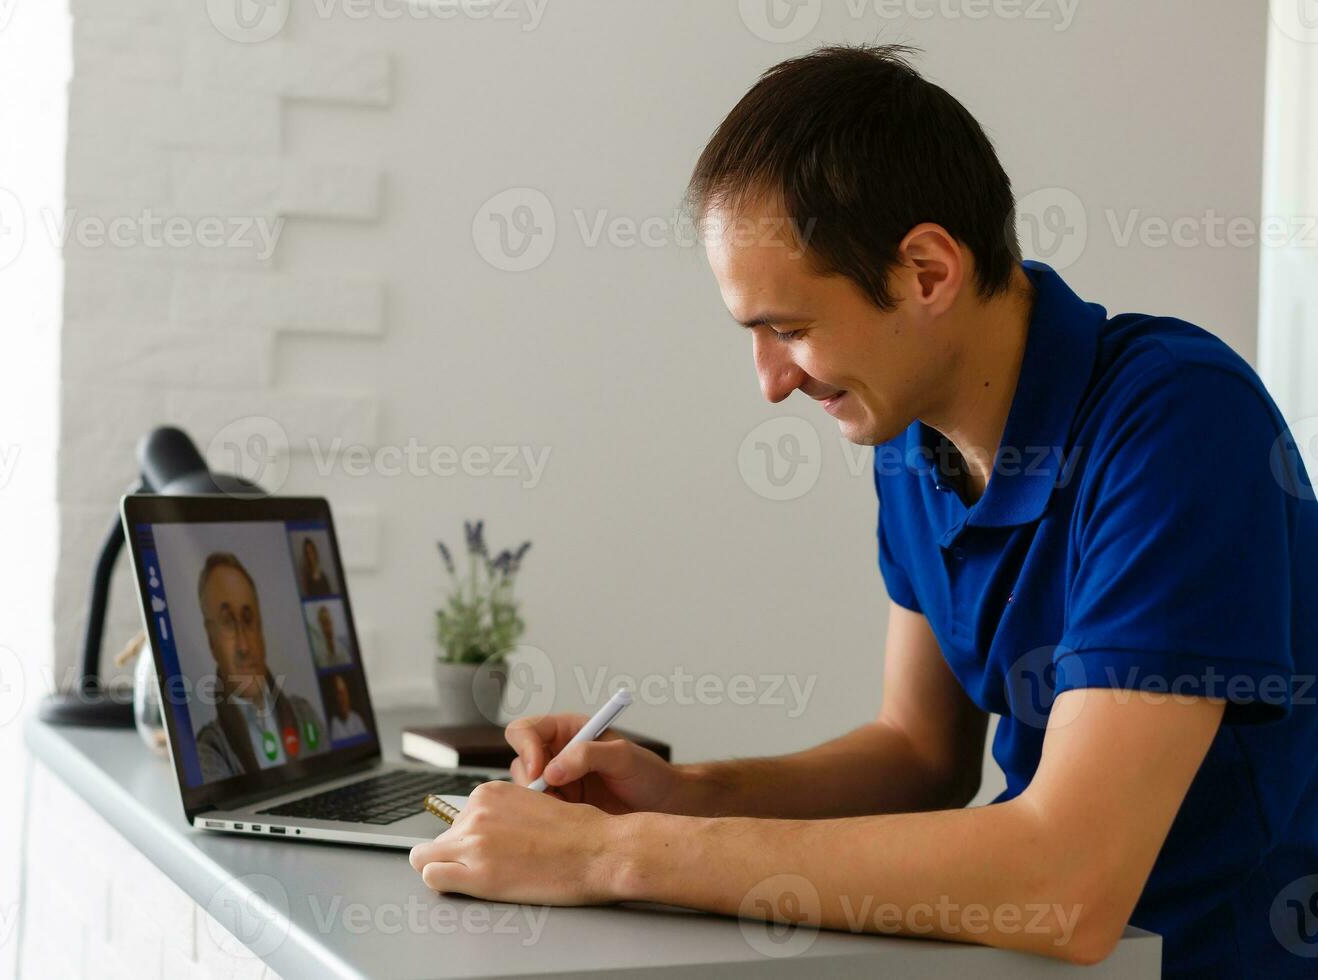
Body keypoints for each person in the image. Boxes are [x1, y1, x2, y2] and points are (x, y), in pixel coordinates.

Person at [409, 45, 1318, 977]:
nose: (769, 383)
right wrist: (677, 797)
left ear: (927, 272)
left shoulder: (1180, 424)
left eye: (790, 330)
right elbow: (920, 753)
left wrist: (607, 857)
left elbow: (1067, 881)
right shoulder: (911, 439)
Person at [193, 552, 325, 781]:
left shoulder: (304, 714)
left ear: (261, 629)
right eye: (227, 622)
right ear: (211, 641)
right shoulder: (211, 749)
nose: (244, 645)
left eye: (248, 619)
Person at [327, 673, 369, 743]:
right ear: (335, 697)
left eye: (344, 692)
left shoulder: (357, 718)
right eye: (339, 693)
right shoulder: (332, 725)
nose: (343, 698)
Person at [307, 603, 351, 668]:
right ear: (321, 626)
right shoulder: (319, 651)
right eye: (324, 623)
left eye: (329, 622)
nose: (328, 628)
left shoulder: (342, 647)